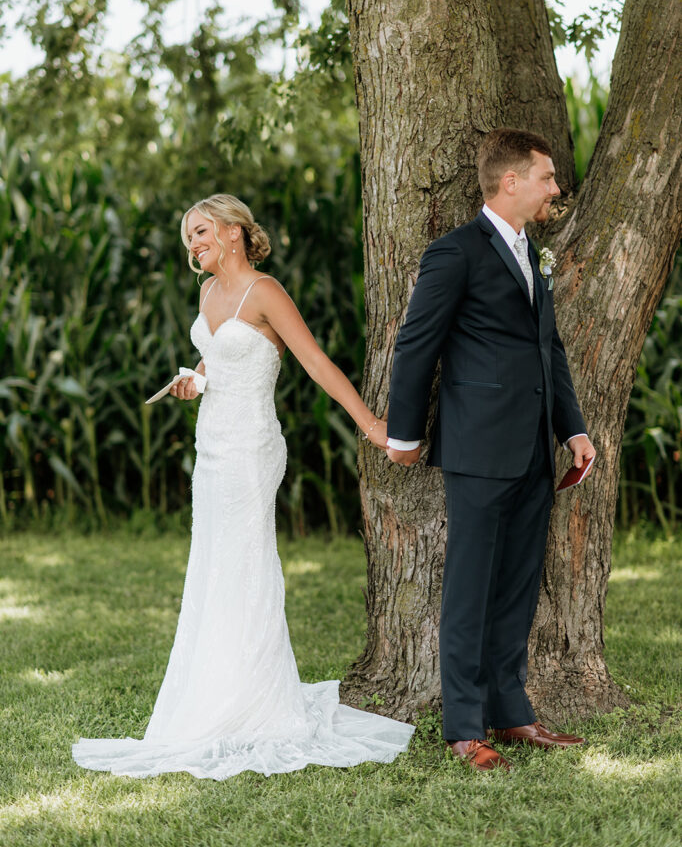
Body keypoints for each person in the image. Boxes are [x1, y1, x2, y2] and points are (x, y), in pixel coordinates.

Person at [72, 193, 414, 780]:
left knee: (247, 564)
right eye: (188, 238)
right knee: (213, 566)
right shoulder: (206, 293)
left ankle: (255, 698)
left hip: (253, 449)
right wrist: (193, 381)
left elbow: (313, 362)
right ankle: (215, 686)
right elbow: (217, 360)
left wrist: (373, 426)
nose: (193, 245)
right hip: (212, 449)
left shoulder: (266, 292)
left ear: (233, 231)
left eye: (201, 232)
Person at [385, 128, 595, 772]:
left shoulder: (535, 253)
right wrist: (403, 434)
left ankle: (512, 713)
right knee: (471, 588)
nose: (556, 188)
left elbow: (547, 349)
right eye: (548, 177)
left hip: (534, 448)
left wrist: (573, 428)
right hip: (477, 446)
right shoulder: (455, 253)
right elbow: (417, 346)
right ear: (511, 182)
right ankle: (464, 728)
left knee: (518, 585)